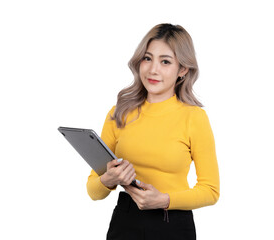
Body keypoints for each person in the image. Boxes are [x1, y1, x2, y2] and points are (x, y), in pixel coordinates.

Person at [86, 23, 220, 240]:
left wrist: (165, 200)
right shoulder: (119, 112)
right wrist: (108, 180)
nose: (152, 69)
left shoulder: (194, 117)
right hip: (125, 220)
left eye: (165, 61)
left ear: (183, 70)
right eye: (147, 58)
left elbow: (211, 191)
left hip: (173, 223)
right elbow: (93, 190)